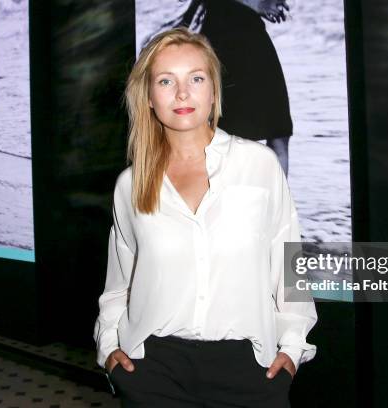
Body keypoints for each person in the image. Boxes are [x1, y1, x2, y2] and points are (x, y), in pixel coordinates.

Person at [93, 27, 316, 407]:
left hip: (249, 372)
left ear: (213, 91)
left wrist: (293, 349)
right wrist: (110, 347)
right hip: (153, 372)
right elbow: (119, 285)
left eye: (196, 78)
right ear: (148, 96)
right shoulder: (130, 184)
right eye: (166, 81)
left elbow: (289, 267)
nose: (182, 93)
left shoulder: (258, 166)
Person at [151, 0, 293, 174]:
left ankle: (275, 200)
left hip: (250, 32)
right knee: (234, 136)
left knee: (278, 131)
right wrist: (256, 4)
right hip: (225, 34)